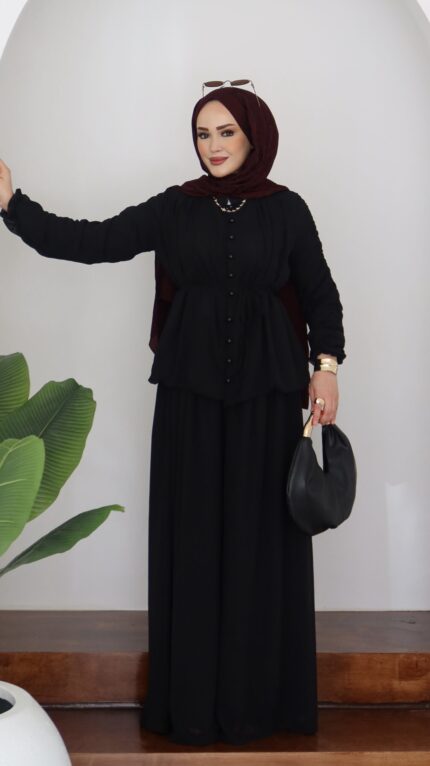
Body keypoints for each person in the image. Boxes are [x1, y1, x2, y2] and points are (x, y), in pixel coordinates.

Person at [0, 82, 346, 747]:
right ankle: (191, 705)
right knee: (194, 540)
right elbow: (92, 240)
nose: (213, 145)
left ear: (254, 134)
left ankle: (260, 704)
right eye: (202, 134)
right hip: (190, 398)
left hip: (269, 398)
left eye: (226, 132)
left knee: (259, 543)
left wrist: (326, 366)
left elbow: (320, 293)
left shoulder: (287, 211)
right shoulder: (175, 207)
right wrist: (13, 204)